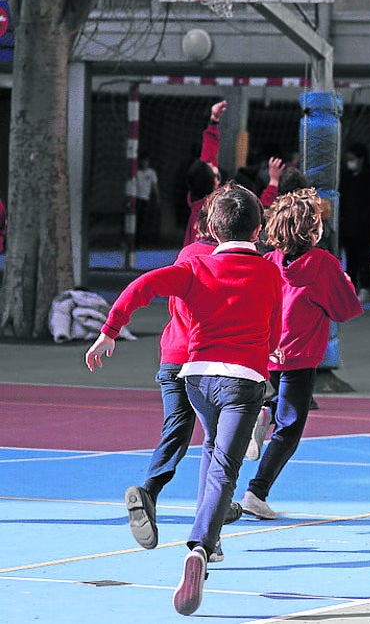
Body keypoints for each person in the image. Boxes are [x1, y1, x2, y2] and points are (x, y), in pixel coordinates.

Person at [85, 182, 283, 616]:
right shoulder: (270, 272)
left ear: (211, 226)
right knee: (224, 471)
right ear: (258, 231)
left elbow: (143, 286)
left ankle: (208, 543)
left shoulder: (194, 268)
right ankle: (199, 549)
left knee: (213, 453)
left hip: (195, 380)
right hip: (242, 382)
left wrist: (109, 330)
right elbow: (273, 326)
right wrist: (269, 349)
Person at [121, 190, 243, 562]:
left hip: (171, 357)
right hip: (207, 360)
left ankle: (150, 489)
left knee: (176, 430)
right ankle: (213, 524)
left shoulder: (188, 254)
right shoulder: (229, 262)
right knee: (218, 445)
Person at [239, 188, 363, 520]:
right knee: (291, 428)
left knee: (278, 403)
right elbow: (346, 310)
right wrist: (345, 283)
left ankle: (263, 412)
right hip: (301, 354)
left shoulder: (268, 260)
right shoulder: (323, 264)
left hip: (269, 350)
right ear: (312, 230)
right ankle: (256, 491)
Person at [339, 143, 370, 303]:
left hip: (362, 225)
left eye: (352, 159)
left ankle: (365, 287)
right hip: (348, 224)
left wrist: (365, 220)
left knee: (363, 257)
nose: (350, 162)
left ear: (361, 159)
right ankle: (352, 286)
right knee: (350, 258)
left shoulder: (369, 177)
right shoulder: (346, 177)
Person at [183, 101, 226, 247]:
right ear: (215, 182)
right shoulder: (203, 217)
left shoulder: (202, 193)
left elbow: (209, 151)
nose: (210, 162)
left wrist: (214, 120)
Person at [125, 153, 160, 247]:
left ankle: (143, 240)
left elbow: (154, 186)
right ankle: (133, 241)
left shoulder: (151, 173)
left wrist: (157, 198)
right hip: (137, 199)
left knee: (144, 221)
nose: (144, 163)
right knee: (135, 220)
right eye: (143, 161)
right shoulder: (137, 172)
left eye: (146, 161)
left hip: (146, 199)